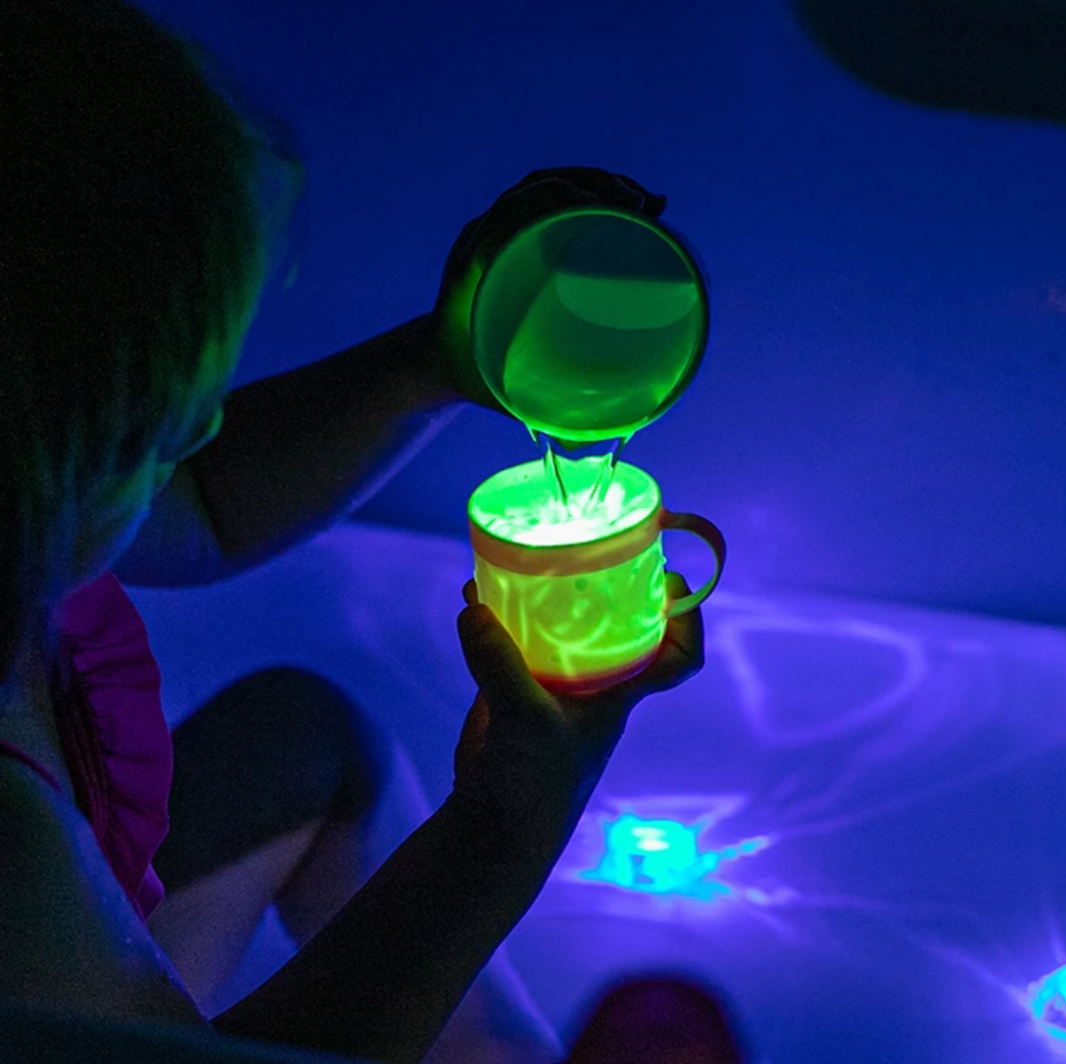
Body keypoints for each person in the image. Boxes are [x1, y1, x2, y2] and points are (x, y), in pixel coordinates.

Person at [0, 2, 709, 1062]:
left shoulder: (28, 509)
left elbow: (204, 503)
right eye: (149, 425)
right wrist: (505, 828)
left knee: (309, 731)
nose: (203, 426)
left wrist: (440, 356)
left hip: (78, 879)